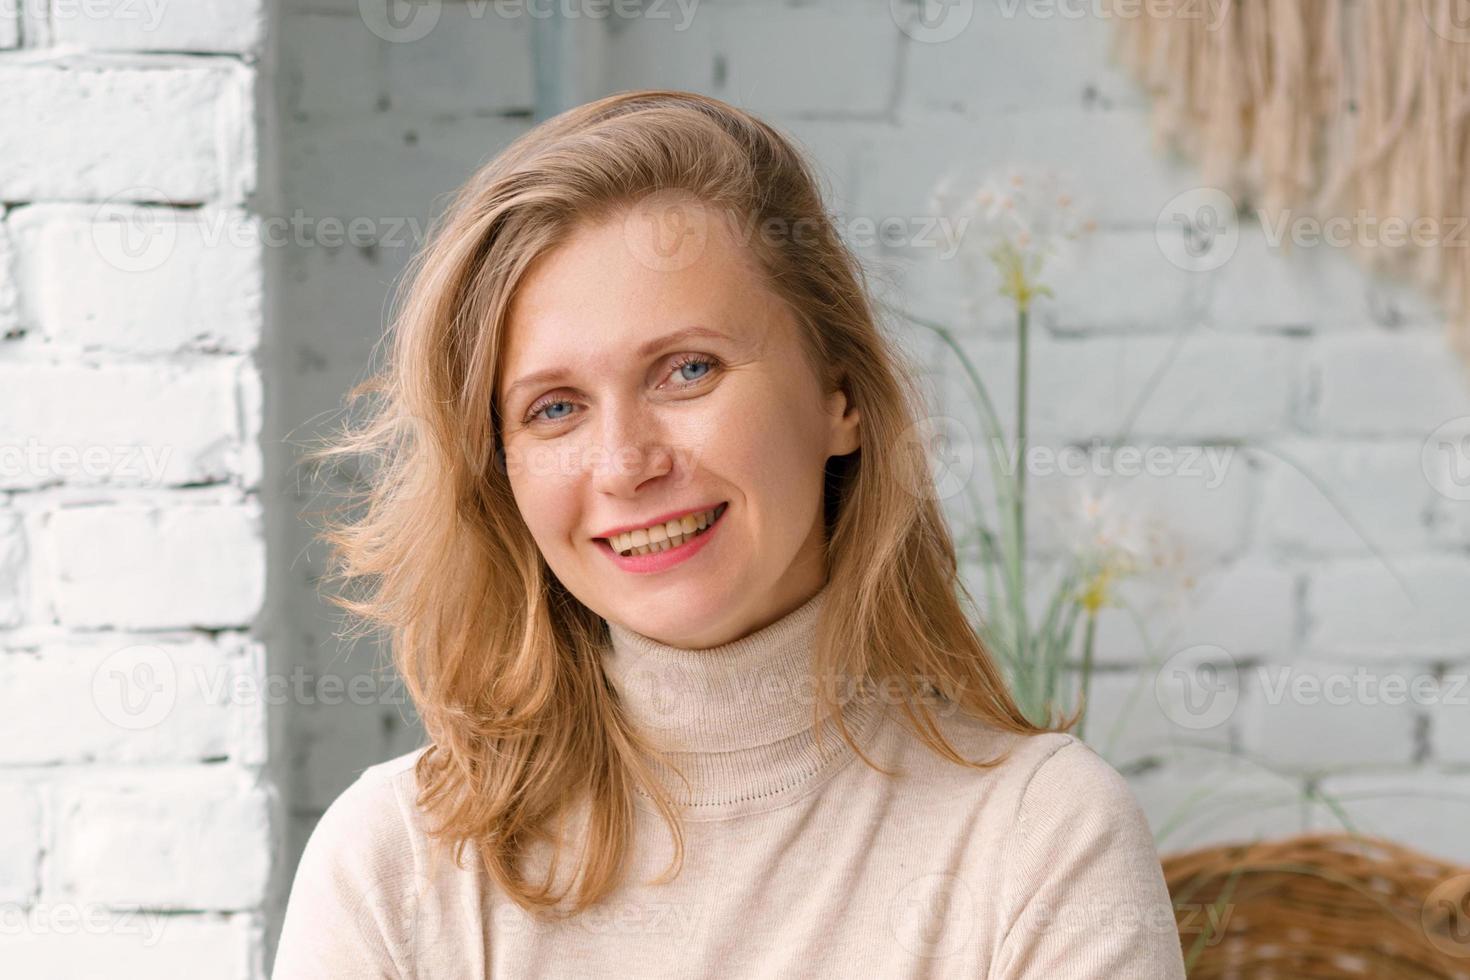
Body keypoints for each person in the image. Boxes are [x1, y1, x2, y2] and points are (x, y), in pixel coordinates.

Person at [272, 89, 1187, 979]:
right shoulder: (392, 865)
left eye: (687, 370)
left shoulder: (1040, 838)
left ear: (841, 397)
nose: (626, 464)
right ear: (500, 469)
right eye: (554, 408)